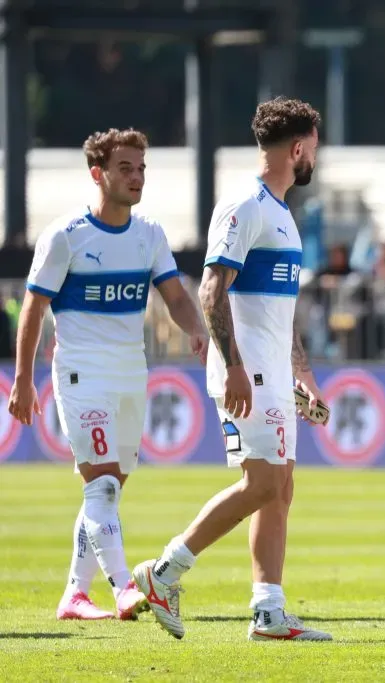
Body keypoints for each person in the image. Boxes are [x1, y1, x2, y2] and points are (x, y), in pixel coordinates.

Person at [132, 98, 330, 641]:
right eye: (314, 146)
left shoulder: (283, 215)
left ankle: (268, 610)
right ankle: (164, 571)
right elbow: (212, 288)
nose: (317, 156)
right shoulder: (245, 204)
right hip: (247, 373)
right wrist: (237, 366)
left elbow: (280, 314)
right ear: (296, 149)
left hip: (271, 372)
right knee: (262, 482)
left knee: (280, 487)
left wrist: (303, 375)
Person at [7, 128, 208, 621]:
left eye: (141, 168)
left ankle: (75, 594)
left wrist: (201, 333)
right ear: (98, 174)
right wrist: (22, 379)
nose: (136, 177)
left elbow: (176, 297)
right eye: (125, 168)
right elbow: (33, 307)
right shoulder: (66, 236)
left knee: (110, 486)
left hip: (129, 374)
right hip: (80, 373)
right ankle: (124, 587)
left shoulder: (150, 235)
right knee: (102, 488)